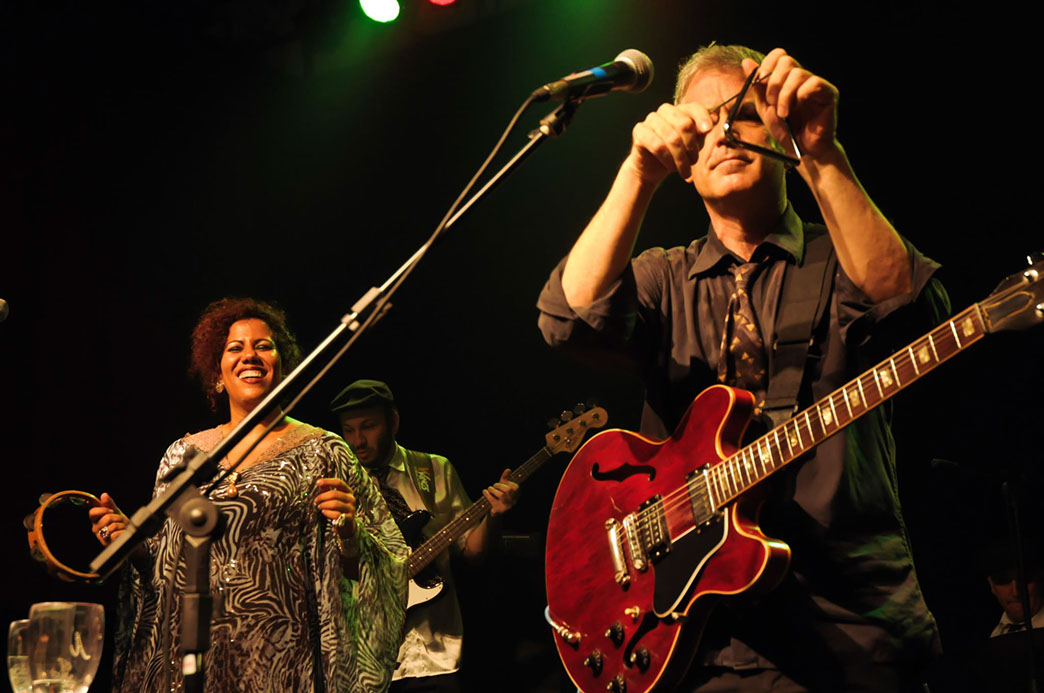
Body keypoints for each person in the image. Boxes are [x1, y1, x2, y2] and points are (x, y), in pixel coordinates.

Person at [537, 44, 949, 690]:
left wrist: (820, 151)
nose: (725, 133)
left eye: (747, 116)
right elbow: (568, 316)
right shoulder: (664, 278)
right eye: (703, 124)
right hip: (701, 644)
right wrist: (639, 171)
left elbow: (907, 305)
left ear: (781, 134)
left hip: (855, 633)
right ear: (686, 162)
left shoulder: (843, 254)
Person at [88, 298, 409, 692]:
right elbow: (164, 570)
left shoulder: (324, 450)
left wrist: (350, 532)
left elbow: (392, 559)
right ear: (217, 373)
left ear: (282, 366)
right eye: (235, 348)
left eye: (263, 346)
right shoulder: (182, 457)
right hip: (195, 662)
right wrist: (131, 543)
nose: (249, 356)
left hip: (284, 663)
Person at [329, 379, 519, 693]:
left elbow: (473, 552)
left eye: (368, 426)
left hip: (437, 652)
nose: (357, 440)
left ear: (394, 422)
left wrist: (495, 517)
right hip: (369, 662)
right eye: (348, 430)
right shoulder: (340, 486)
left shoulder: (433, 470)